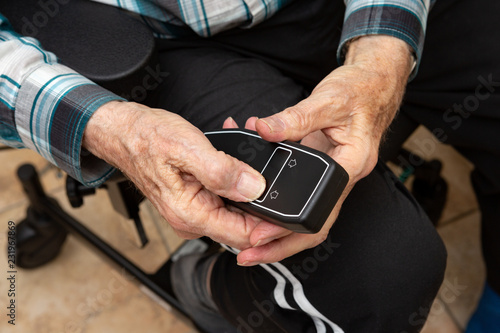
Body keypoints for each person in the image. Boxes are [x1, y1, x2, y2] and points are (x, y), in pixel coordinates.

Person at [1, 0, 498, 332]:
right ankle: (208, 286)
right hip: (140, 34)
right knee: (381, 276)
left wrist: (382, 52)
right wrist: (104, 126)